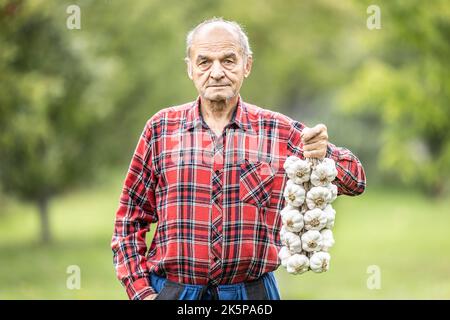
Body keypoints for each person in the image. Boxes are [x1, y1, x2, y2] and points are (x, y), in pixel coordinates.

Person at [111, 17, 366, 300]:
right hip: (175, 292)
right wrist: (141, 293)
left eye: (229, 60)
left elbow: (355, 179)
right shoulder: (161, 129)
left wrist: (324, 152)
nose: (217, 72)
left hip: (252, 294)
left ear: (247, 65)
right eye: (205, 61)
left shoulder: (277, 130)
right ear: (190, 68)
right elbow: (129, 221)